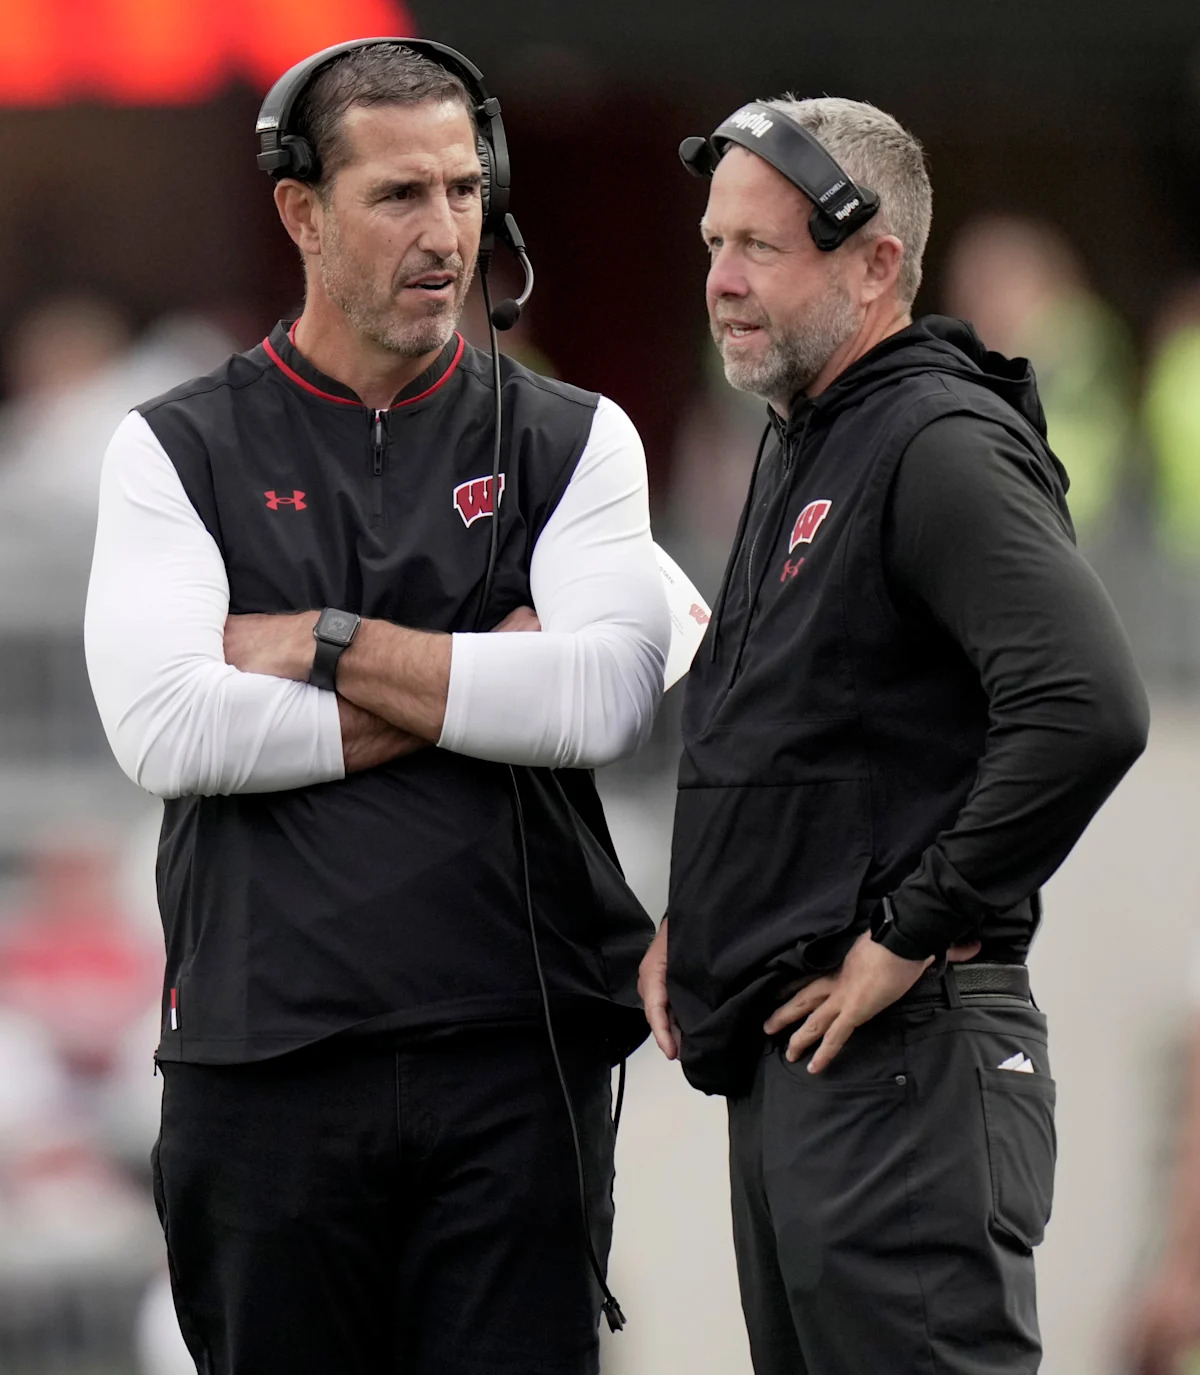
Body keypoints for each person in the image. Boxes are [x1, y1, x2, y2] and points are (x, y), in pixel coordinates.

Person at [84, 40, 670, 1375]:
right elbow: (171, 727)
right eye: (401, 194)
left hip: (517, 1058)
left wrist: (323, 641)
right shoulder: (174, 445)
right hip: (264, 1061)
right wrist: (484, 678)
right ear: (302, 211)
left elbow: (601, 698)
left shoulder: (575, 435)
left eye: (465, 189)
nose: (447, 232)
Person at [638, 94, 1149, 1374]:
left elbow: (1087, 705)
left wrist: (910, 930)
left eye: (760, 247)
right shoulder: (812, 435)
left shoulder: (934, 441)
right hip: (818, 1075)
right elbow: (815, 732)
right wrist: (701, 915)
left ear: (876, 266)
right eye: (713, 245)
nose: (722, 281)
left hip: (900, 1072)